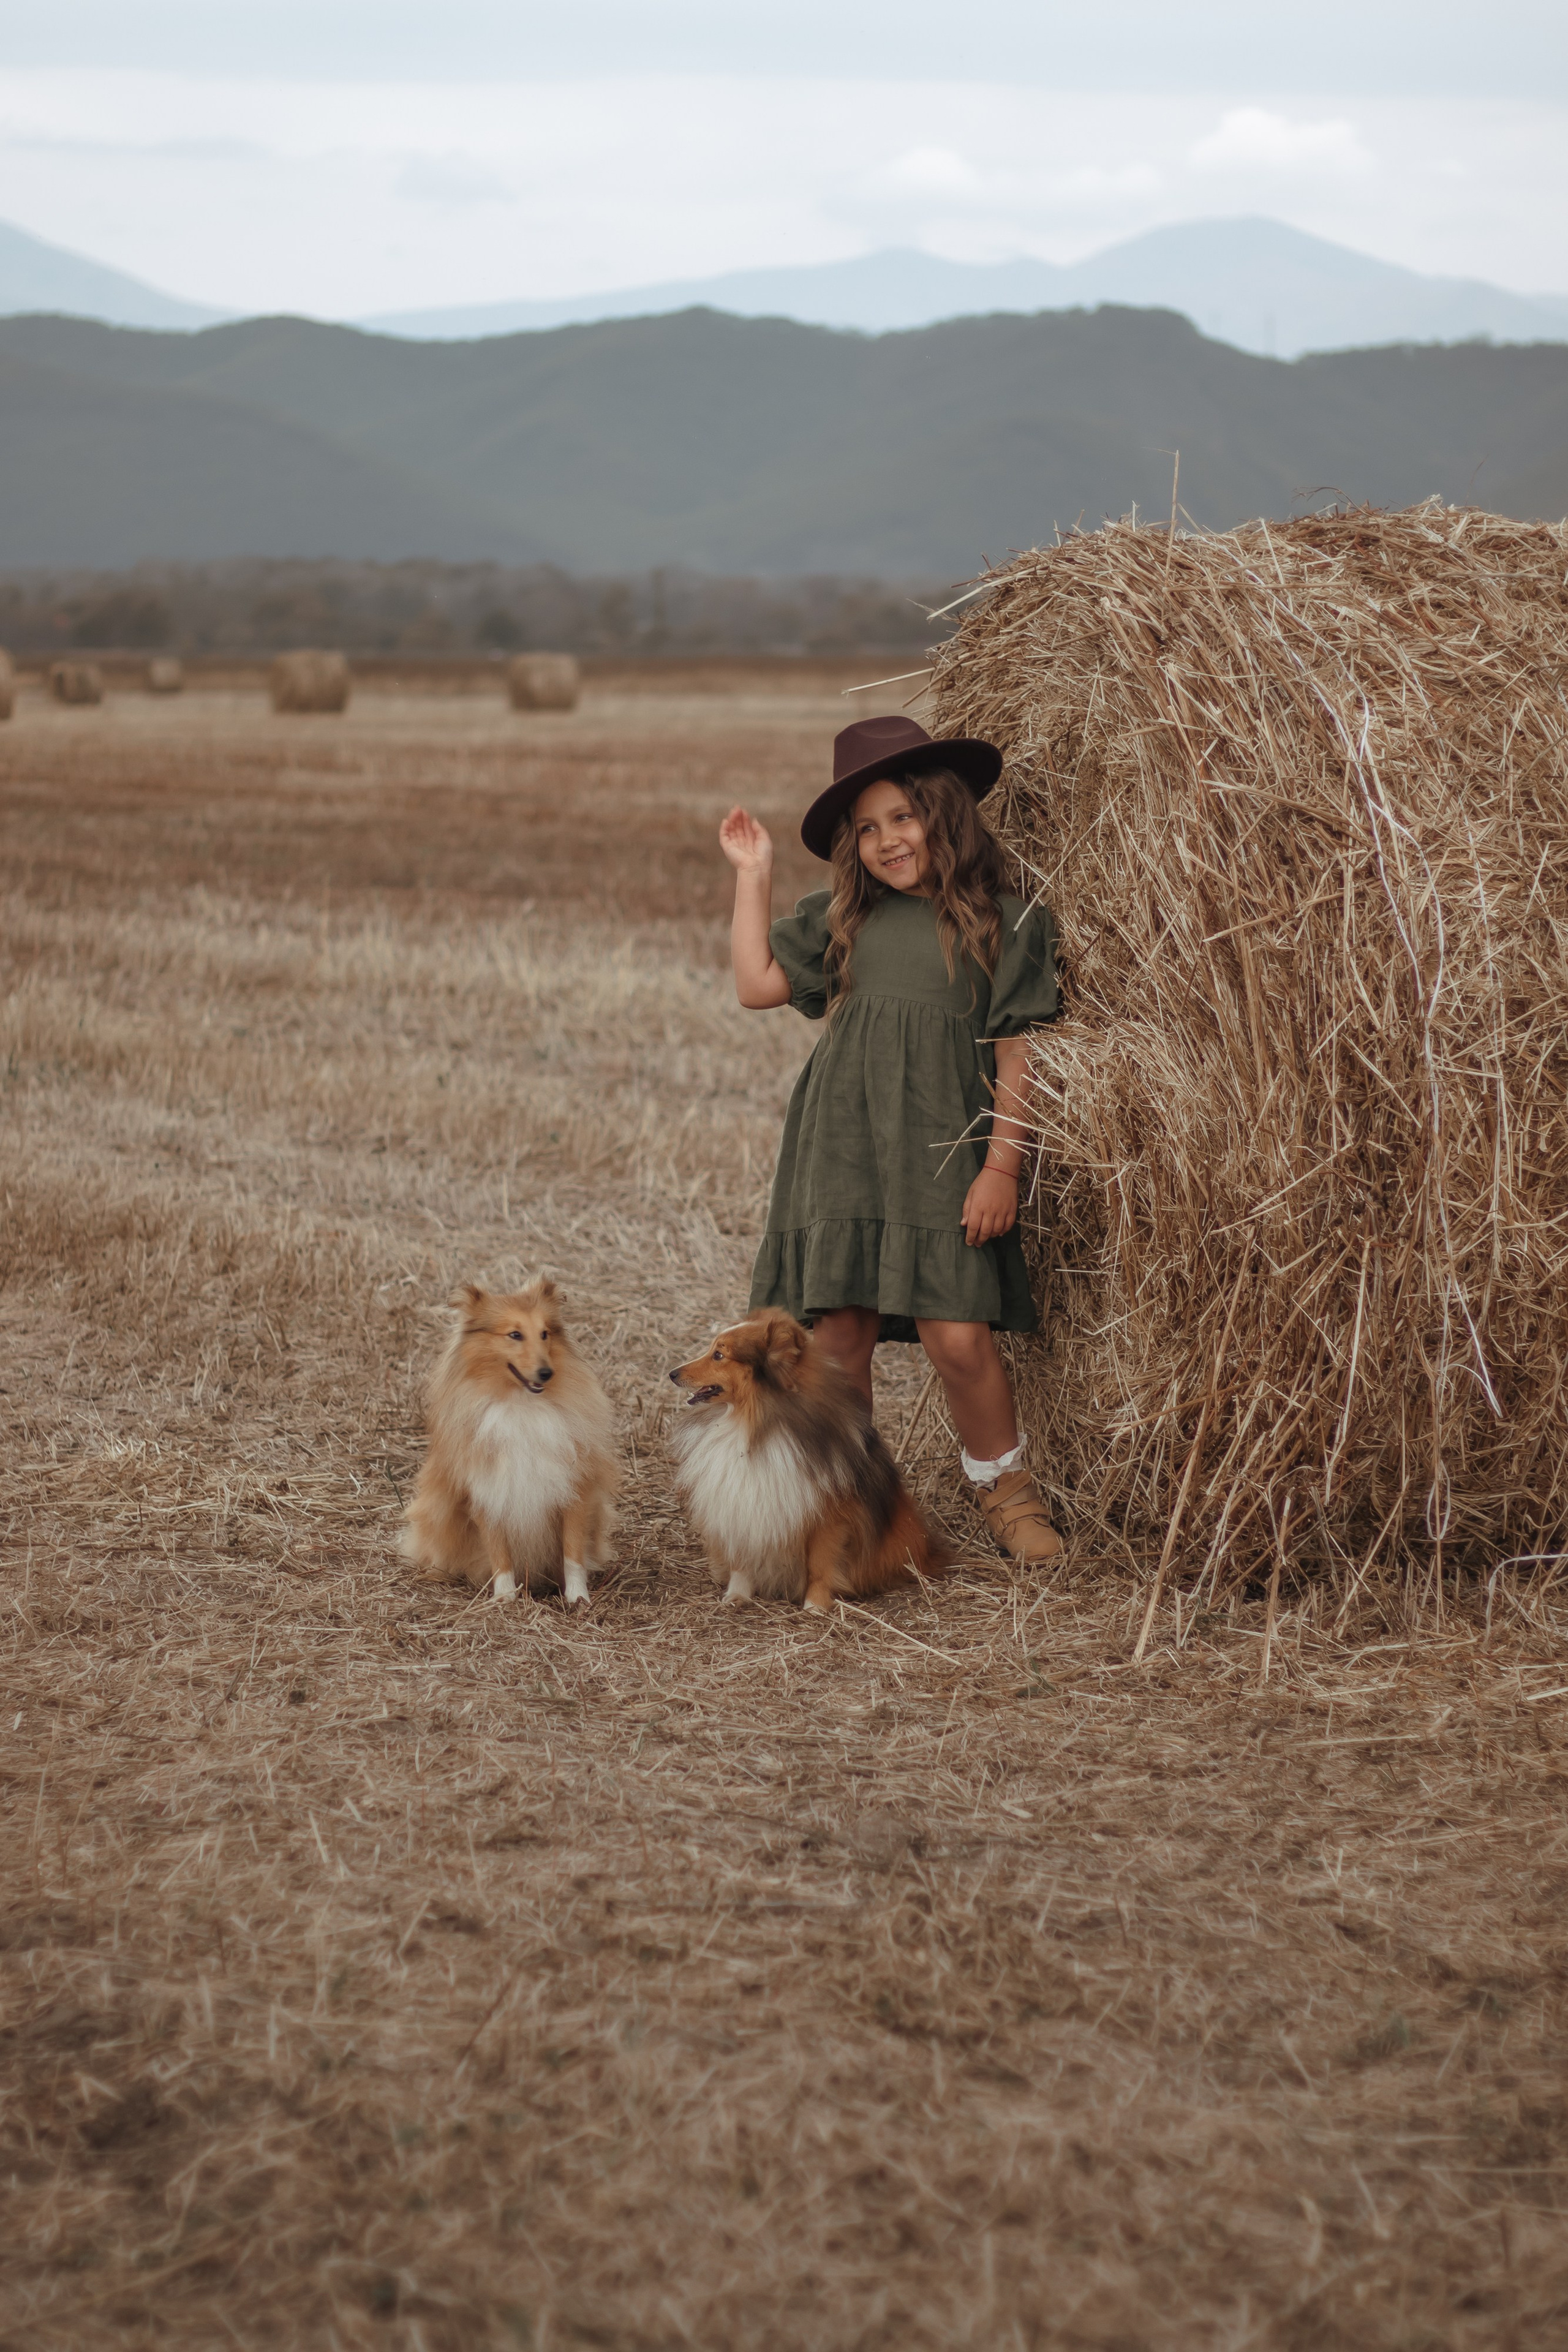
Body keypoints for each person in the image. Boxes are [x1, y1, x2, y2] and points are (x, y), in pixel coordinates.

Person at [718, 713, 1064, 1567]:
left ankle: (1004, 1488)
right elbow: (758, 985)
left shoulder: (1007, 924)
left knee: (959, 1336)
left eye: (902, 818)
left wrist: (1001, 1168)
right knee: (839, 1338)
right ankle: (849, 1501)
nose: (886, 841)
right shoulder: (845, 918)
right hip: (842, 1143)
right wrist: (754, 875)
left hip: (943, 1151)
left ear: (944, 814)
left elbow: (1019, 1055)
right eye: (867, 830)